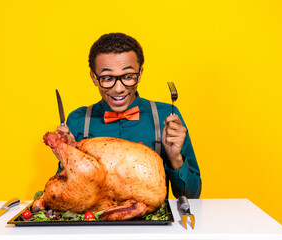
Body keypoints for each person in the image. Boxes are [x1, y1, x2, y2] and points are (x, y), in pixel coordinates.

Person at [55, 33, 201, 198]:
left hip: (151, 221)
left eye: (128, 76)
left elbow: (192, 195)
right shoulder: (79, 120)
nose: (119, 88)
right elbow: (65, 193)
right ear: (94, 78)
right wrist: (65, 157)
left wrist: (175, 157)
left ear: (140, 74)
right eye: (108, 78)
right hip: (95, 221)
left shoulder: (166, 116)